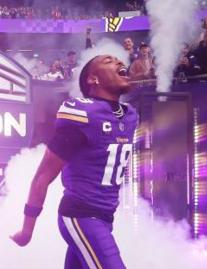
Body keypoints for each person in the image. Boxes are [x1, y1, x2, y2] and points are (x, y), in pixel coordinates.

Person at [10, 54, 138, 269]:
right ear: (93, 79)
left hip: (105, 217)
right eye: (109, 61)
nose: (119, 62)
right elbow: (42, 177)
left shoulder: (130, 115)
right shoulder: (82, 113)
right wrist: (26, 230)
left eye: (118, 60)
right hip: (81, 215)